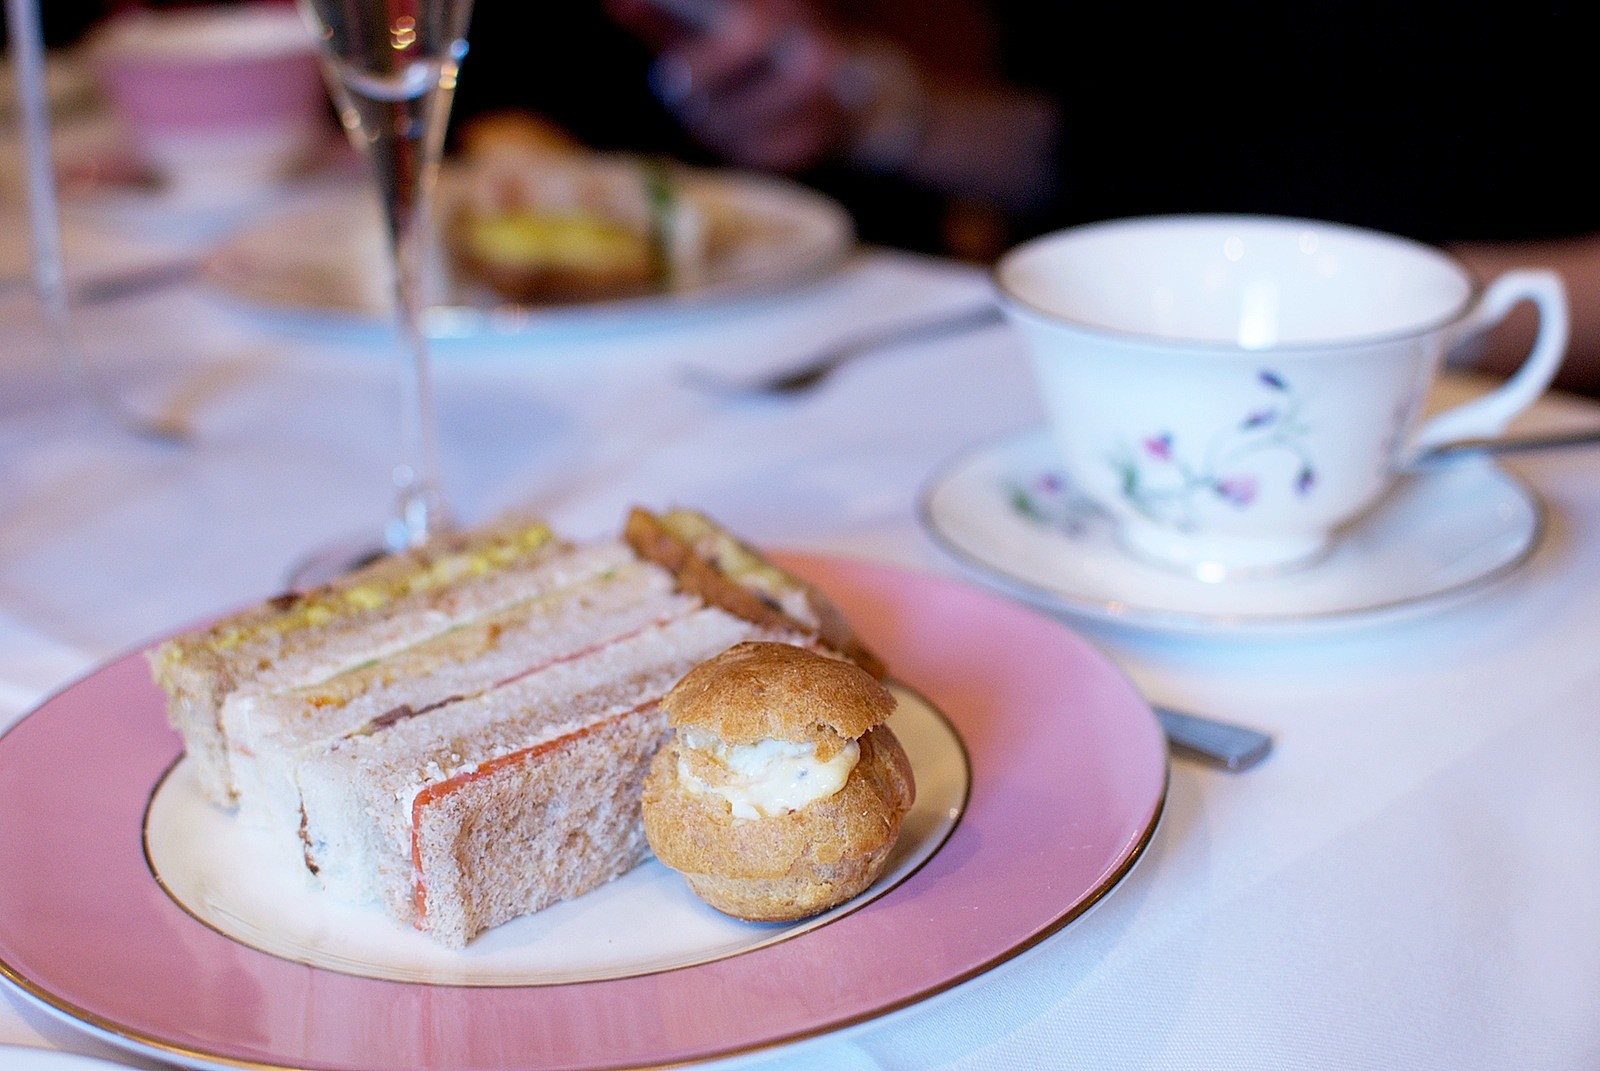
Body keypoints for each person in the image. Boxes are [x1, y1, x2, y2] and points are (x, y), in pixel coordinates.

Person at [588, 0, 1600, 396]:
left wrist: (1396, 319)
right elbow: (1105, 148)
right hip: (1075, 395)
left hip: (1507, 410)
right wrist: (873, 111)